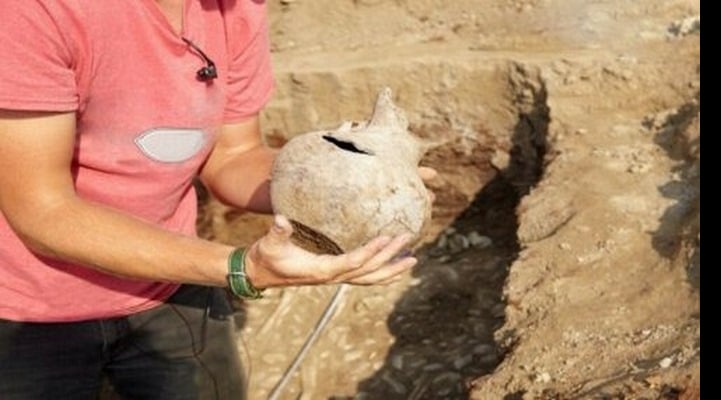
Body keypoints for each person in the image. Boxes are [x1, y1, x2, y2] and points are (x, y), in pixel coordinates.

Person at [0, 1, 435, 399]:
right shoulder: (37, 11)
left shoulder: (233, 8)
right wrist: (242, 269)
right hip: (28, 313)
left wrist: (349, 183)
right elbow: (43, 210)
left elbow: (234, 155)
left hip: (172, 282)